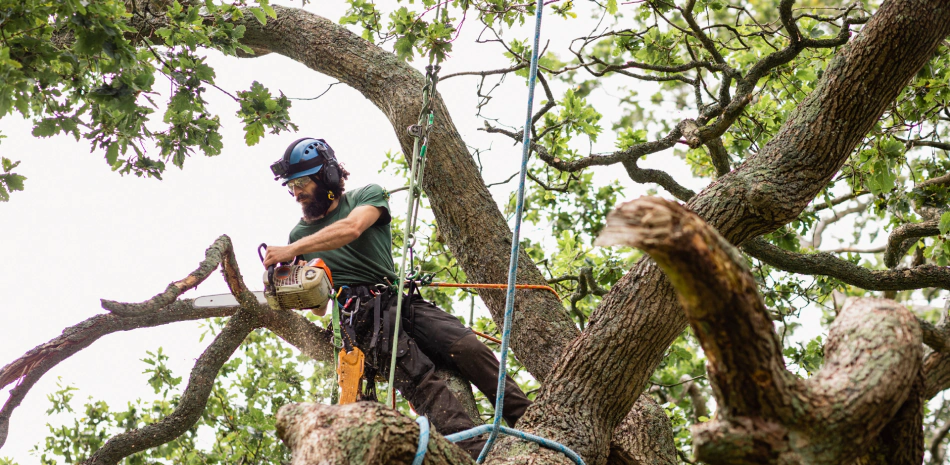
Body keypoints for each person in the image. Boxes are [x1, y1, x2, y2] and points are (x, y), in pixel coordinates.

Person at [262, 137, 532, 458]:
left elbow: (351, 229)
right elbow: (321, 308)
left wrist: (293, 250)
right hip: (360, 316)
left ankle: (529, 420)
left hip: (397, 299)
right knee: (422, 380)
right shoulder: (300, 235)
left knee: (467, 346)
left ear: (328, 177)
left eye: (302, 182)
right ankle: (477, 453)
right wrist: (295, 285)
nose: (296, 193)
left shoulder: (367, 196)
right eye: (291, 186)